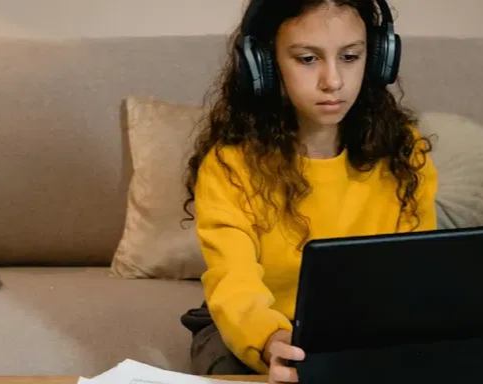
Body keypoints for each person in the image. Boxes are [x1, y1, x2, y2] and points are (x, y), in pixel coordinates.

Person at [179, 0, 437, 382]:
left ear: (378, 60)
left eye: (350, 56)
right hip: (253, 326)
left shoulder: (404, 153)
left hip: (362, 329)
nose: (332, 80)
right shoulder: (230, 164)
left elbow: (416, 275)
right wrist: (270, 339)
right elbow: (233, 281)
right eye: (307, 59)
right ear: (265, 65)